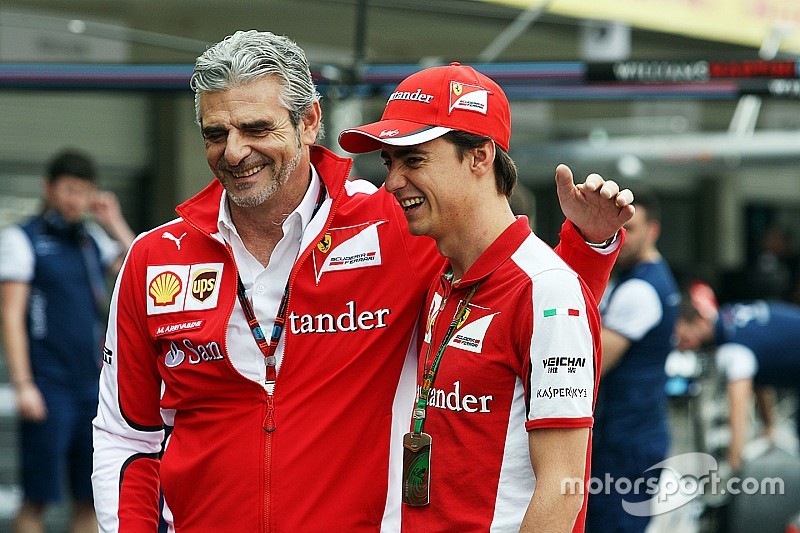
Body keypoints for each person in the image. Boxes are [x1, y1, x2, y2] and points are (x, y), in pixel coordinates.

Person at [91, 30, 632, 532]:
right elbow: (126, 437)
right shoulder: (155, 258)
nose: (234, 152)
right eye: (216, 133)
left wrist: (589, 247)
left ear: (308, 122)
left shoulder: (398, 223)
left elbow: (516, 289)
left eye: (257, 128)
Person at [338, 61, 632, 533]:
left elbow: (562, 488)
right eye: (389, 162)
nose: (392, 182)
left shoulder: (547, 288)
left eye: (414, 159)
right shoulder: (444, 279)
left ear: (480, 157)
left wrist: (587, 251)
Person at [0, 149, 135, 533]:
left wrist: (113, 222)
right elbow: (10, 314)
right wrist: (24, 385)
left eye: (85, 192)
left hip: (91, 388)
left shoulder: (90, 239)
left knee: (89, 498)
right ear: (50, 188)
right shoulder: (21, 239)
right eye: (71, 190)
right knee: (37, 498)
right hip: (47, 386)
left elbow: (139, 269)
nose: (77, 200)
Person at [583, 190, 680, 532]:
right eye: (617, 230)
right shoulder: (651, 278)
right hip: (635, 432)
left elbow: (590, 367)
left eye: (632, 229)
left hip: (625, 442)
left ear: (653, 231)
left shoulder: (639, 291)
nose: (621, 239)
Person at [675, 281, 800, 472]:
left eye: (685, 338)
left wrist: (735, 465)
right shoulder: (730, 313)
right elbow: (759, 374)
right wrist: (769, 425)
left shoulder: (732, 345)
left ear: (700, 321)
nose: (684, 347)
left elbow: (738, 404)